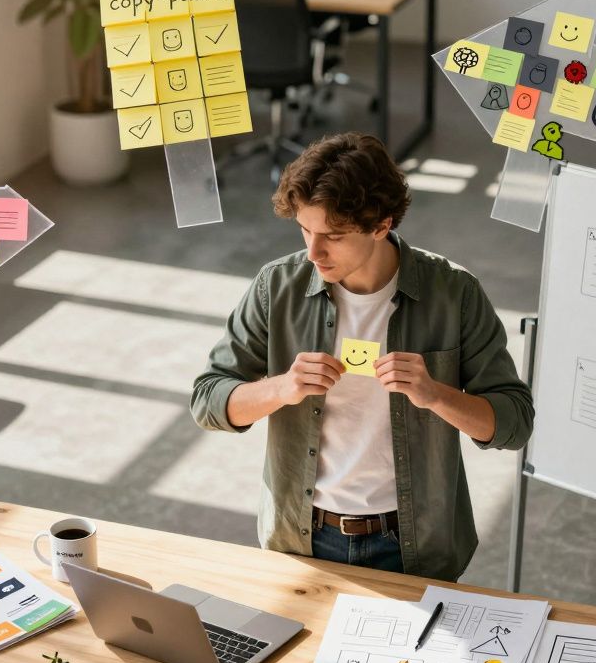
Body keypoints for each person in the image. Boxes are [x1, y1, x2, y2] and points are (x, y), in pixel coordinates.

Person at [190, 132, 533, 581]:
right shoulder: (277, 287)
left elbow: (514, 423)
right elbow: (208, 401)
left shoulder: (454, 294)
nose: (313, 252)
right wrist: (282, 387)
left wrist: (436, 395)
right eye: (304, 231)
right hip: (300, 538)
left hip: (417, 546)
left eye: (332, 236)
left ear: (381, 225)